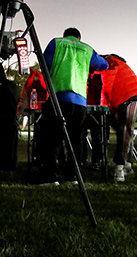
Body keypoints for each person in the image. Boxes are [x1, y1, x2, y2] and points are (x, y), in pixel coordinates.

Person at [36, 27, 108, 184]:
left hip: (59, 98)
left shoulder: (56, 43)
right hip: (80, 101)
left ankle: (49, 176)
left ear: (65, 35)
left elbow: (44, 64)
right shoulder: (87, 48)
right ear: (79, 37)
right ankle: (72, 176)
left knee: (53, 138)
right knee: (76, 140)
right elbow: (104, 65)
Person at [98, 54, 137, 182]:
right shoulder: (116, 63)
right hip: (129, 98)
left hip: (131, 97)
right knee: (123, 131)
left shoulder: (109, 64)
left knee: (124, 130)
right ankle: (127, 165)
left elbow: (106, 89)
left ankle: (120, 166)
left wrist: (107, 108)